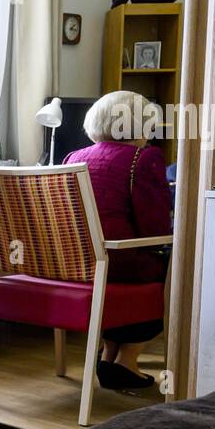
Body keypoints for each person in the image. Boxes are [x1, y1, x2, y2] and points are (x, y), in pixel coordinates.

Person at [63, 90, 173, 390]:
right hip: (123, 264)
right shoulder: (144, 157)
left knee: (127, 264)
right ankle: (128, 358)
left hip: (81, 264)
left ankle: (109, 353)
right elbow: (155, 228)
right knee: (171, 268)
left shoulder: (73, 157)